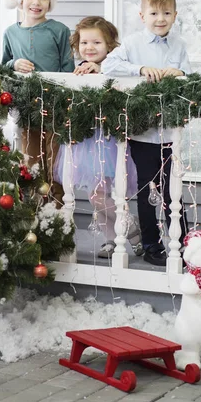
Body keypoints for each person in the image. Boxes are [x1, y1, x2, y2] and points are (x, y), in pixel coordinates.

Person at [102, 0, 191, 266]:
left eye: (166, 12)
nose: (160, 19)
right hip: (143, 133)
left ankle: (184, 241)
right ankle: (153, 244)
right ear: (143, 16)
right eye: (153, 13)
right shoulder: (131, 44)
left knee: (172, 188)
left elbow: (189, 75)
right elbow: (108, 66)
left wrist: (180, 72)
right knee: (147, 188)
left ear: (175, 15)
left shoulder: (179, 45)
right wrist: (138, 69)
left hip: (170, 132)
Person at [54, 16, 143, 258]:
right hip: (86, 141)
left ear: (109, 46)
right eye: (84, 43)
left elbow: (120, 82)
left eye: (96, 43)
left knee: (107, 194)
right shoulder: (79, 67)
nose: (89, 48)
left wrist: (101, 70)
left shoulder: (115, 65)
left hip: (109, 140)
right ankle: (116, 235)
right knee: (96, 196)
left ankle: (126, 230)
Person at [2, 0, 74, 206]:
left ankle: (56, 211)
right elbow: (3, 66)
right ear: (20, 0)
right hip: (26, 107)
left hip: (55, 106)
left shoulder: (59, 30)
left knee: (55, 160)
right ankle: (33, 211)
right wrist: (14, 63)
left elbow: (67, 66)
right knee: (31, 160)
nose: (36, 2)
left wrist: (65, 100)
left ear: (50, 2)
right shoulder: (11, 33)